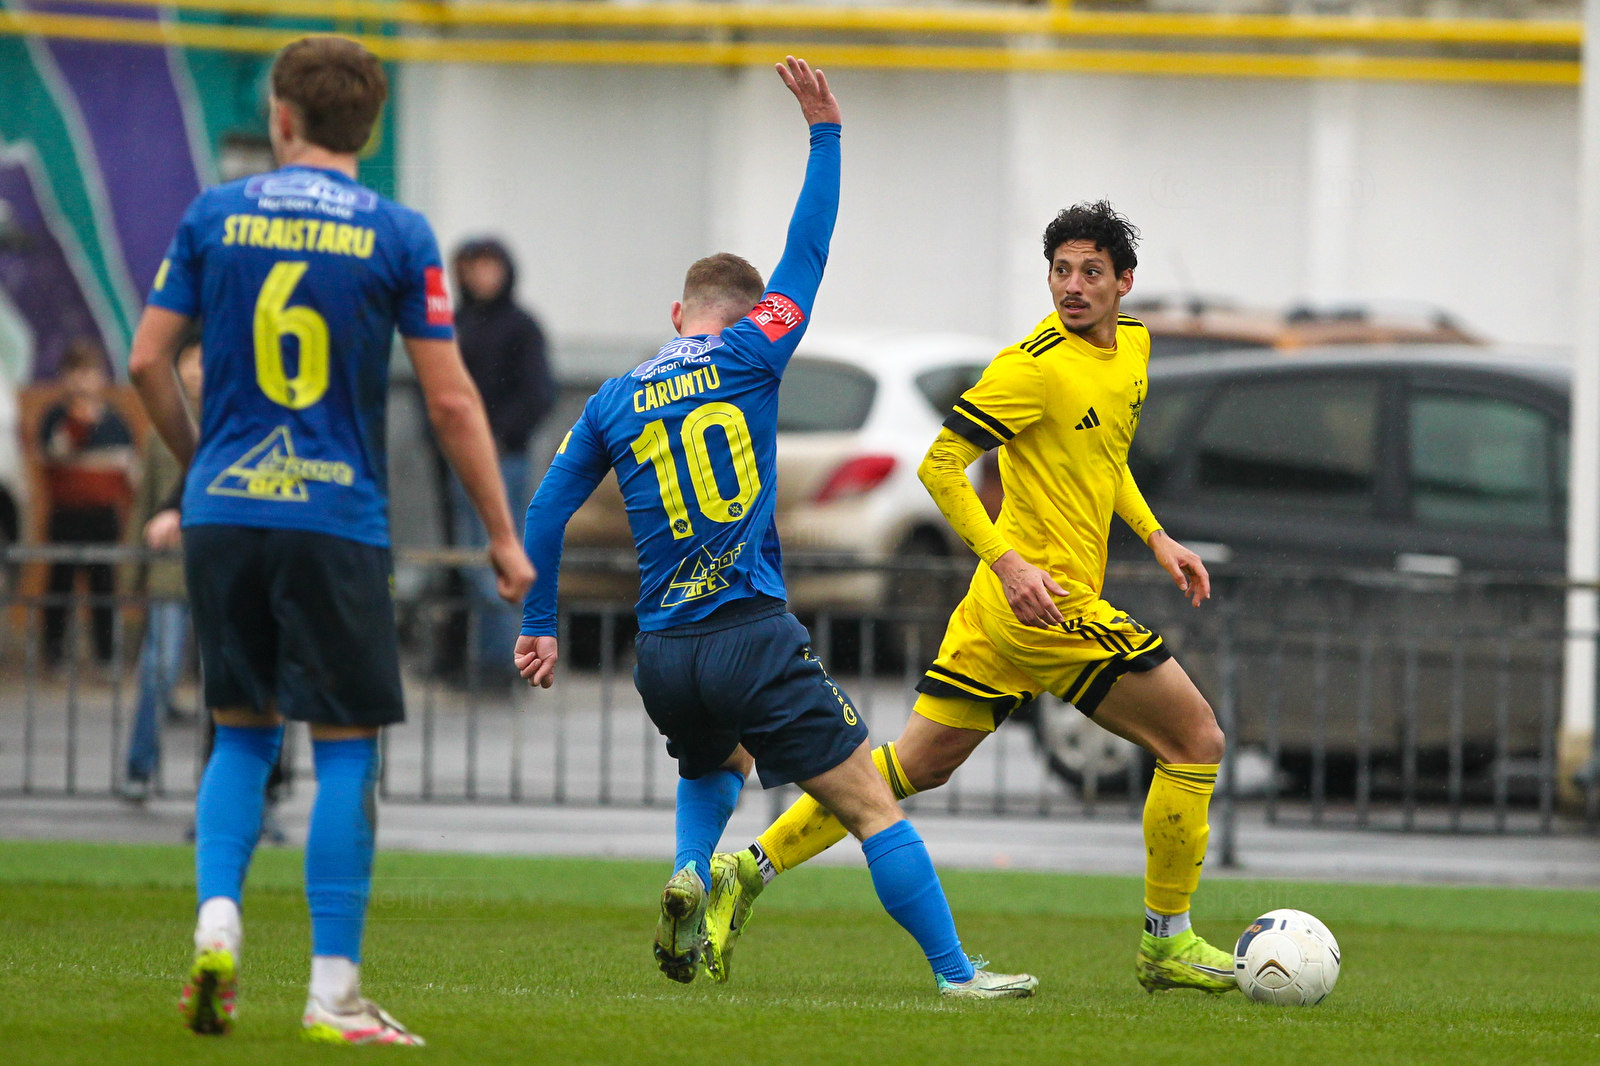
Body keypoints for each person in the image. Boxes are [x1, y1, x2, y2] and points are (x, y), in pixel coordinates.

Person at [514, 56, 1035, 1000]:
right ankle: (958, 973)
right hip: (750, 633)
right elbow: (810, 248)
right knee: (871, 806)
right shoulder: (756, 350)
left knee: (716, 758)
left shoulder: (612, 398)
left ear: (677, 314)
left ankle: (690, 870)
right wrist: (824, 131)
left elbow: (545, 511)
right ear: (751, 313)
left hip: (662, 648)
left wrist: (539, 623)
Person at [709, 201, 1238, 996]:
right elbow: (941, 465)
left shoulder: (1133, 347)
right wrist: (1011, 563)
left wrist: (1157, 537)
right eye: (1060, 270)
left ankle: (743, 870)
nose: (1072, 286)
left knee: (916, 764)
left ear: (1124, 283)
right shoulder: (1031, 366)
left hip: (1002, 610)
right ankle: (1168, 942)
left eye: (1090, 271)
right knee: (1196, 740)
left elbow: (1104, 457)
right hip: (1045, 606)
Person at [129, 35, 534, 1045]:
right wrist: (501, 533)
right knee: (346, 750)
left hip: (226, 507)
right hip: (334, 515)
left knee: (241, 729)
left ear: (281, 118)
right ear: (371, 123)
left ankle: (217, 925)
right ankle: (333, 994)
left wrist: (200, 465)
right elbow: (451, 401)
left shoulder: (214, 213)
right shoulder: (397, 231)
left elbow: (146, 362)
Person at [446, 237, 555, 684]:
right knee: (470, 558)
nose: (482, 277)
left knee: (502, 555)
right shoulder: (456, 324)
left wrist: (496, 435)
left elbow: (539, 393)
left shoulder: (521, 327)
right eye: (474, 268)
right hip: (459, 459)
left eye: (490, 267)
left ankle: (502, 661)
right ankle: (477, 657)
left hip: (505, 458)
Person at [38, 339, 135, 667]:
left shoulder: (116, 421)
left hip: (103, 516)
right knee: (59, 583)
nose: (82, 380)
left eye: (88, 372)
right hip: (65, 514)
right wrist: (76, 425)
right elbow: (51, 456)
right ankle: (54, 653)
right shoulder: (54, 417)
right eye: (74, 372)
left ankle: (106, 656)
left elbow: (128, 469)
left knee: (103, 585)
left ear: (101, 376)